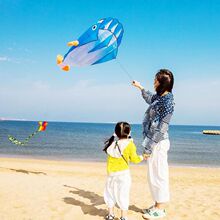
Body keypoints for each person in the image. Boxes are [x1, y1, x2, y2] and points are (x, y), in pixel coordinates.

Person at [132, 69, 175, 219]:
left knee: (159, 175)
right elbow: (150, 98)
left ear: (162, 83)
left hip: (158, 143)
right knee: (153, 175)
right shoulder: (159, 96)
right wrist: (140, 87)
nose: (154, 82)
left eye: (156, 80)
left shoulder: (168, 102)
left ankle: (161, 208)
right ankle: (157, 204)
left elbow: (162, 128)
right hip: (152, 141)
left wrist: (149, 148)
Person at [103, 122, 144, 220]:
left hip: (111, 174)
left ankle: (111, 215)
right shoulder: (130, 145)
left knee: (110, 194)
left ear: (116, 133)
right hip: (123, 174)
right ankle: (123, 217)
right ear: (129, 132)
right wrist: (143, 157)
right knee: (123, 194)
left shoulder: (112, 144)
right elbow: (134, 159)